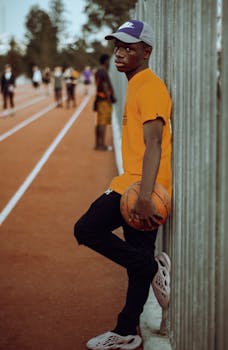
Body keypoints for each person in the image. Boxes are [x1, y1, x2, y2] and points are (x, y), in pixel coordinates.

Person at [74, 19, 172, 350]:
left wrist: (144, 197)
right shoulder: (136, 84)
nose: (119, 52)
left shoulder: (151, 87)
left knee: (86, 229)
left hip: (142, 190)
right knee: (136, 261)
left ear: (146, 52)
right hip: (133, 184)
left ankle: (148, 267)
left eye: (128, 47)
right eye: (117, 46)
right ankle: (127, 330)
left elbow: (155, 144)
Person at [93, 54, 116, 150]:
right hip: (104, 100)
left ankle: (97, 144)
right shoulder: (103, 71)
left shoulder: (98, 71)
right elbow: (105, 86)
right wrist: (109, 99)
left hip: (99, 99)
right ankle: (101, 145)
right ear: (105, 61)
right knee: (103, 123)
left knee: (99, 122)